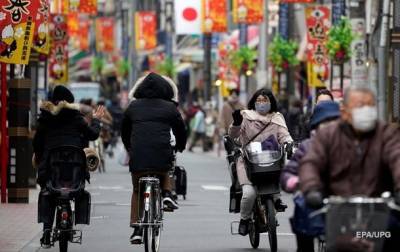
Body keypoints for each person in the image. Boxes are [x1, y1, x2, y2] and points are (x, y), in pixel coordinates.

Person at [299, 86, 400, 251]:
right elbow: (311, 163)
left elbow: (397, 157)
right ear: (344, 112)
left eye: (370, 106)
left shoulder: (386, 134)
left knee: (392, 237)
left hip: (379, 210)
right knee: (306, 222)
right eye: (360, 106)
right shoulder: (328, 135)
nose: (366, 111)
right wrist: (311, 188)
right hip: (337, 210)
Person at [33, 85, 105, 247]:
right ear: (70, 102)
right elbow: (92, 134)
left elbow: (37, 144)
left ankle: (46, 230)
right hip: (75, 168)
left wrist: (40, 157)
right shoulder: (76, 118)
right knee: (79, 192)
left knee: (48, 192)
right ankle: (75, 220)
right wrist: (97, 120)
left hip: (51, 167)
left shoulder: (45, 118)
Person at [121, 72, 187, 244]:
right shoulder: (169, 107)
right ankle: (166, 193)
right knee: (165, 168)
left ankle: (136, 229)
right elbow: (181, 129)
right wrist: (180, 145)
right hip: (161, 154)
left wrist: (129, 147)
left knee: (137, 190)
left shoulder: (132, 107)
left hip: (138, 156)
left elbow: (124, 131)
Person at [228, 88, 293, 236]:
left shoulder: (277, 118)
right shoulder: (245, 116)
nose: (261, 103)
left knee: (277, 182)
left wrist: (289, 144)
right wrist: (236, 124)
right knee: (249, 194)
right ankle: (244, 220)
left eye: (265, 100)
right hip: (248, 162)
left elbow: (285, 136)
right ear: (254, 102)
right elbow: (233, 136)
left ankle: (276, 200)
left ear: (271, 102)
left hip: (271, 161)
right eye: (259, 100)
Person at [281, 101, 340, 252]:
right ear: (317, 125)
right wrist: (296, 183)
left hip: (344, 203)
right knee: (303, 211)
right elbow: (289, 173)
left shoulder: (350, 144)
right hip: (314, 199)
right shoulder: (307, 146)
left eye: (334, 121)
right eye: (325, 122)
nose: (330, 126)